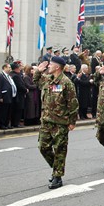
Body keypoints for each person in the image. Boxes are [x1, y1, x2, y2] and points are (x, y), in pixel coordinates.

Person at [34, 57, 79, 189]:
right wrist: (38, 71)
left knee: (59, 149)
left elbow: (73, 103)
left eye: (51, 65)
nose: (49, 66)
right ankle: (56, 168)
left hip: (60, 122)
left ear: (58, 67)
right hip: (46, 121)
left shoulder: (66, 82)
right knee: (43, 147)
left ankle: (57, 176)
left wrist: (72, 121)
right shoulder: (48, 79)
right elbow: (36, 81)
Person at [0, 63, 16, 129]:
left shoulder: (8, 76)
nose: (10, 69)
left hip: (9, 96)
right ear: (4, 68)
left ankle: (6, 124)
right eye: (8, 67)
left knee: (8, 111)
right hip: (4, 96)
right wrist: (0, 97)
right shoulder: (0, 76)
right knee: (3, 111)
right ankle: (2, 124)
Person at [10, 63, 28, 128]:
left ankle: (15, 123)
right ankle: (16, 123)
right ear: (16, 68)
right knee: (18, 110)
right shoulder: (16, 76)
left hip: (16, 95)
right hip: (18, 95)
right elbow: (19, 85)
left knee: (16, 110)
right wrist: (26, 90)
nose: (20, 69)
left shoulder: (12, 74)